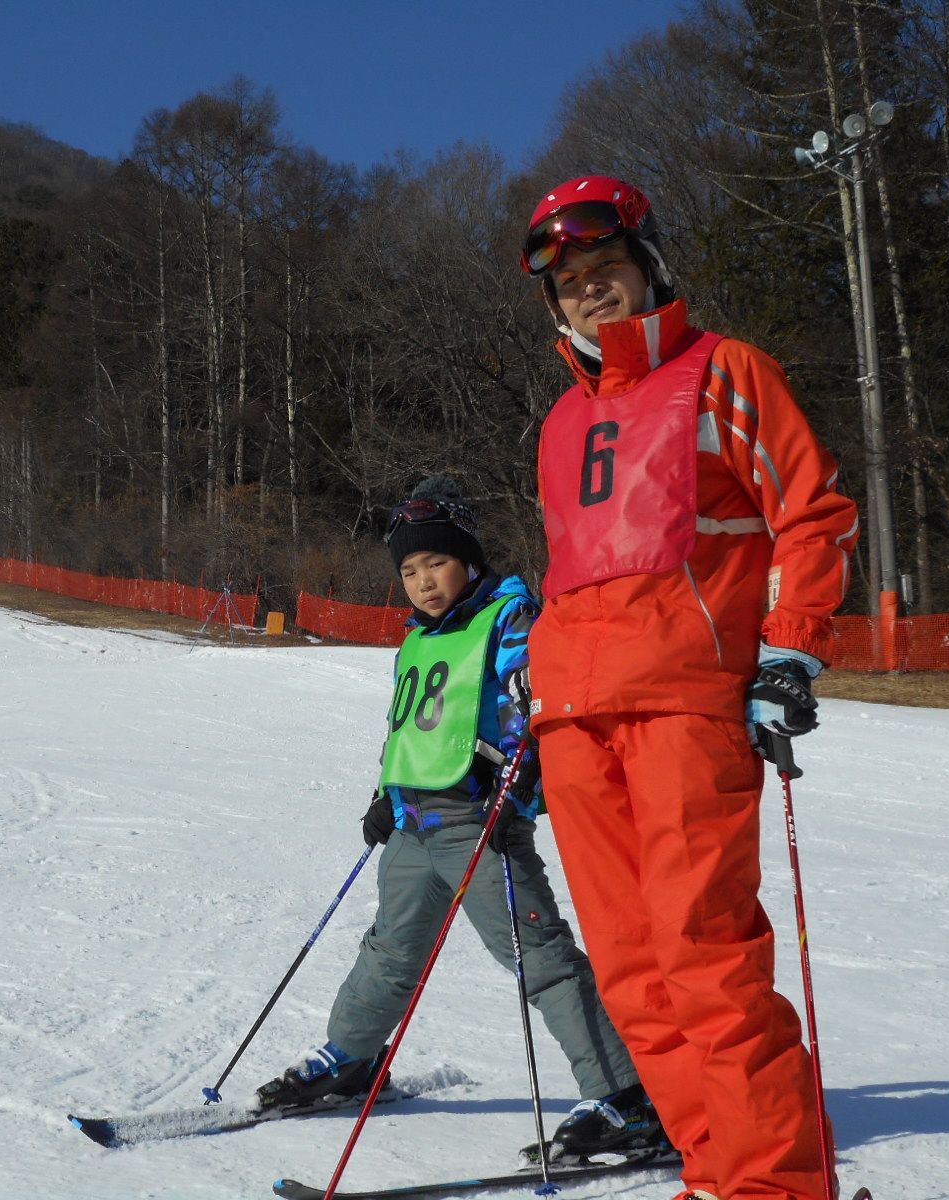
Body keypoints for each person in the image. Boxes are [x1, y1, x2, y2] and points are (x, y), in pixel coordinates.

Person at [518, 175, 861, 1200]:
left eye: (605, 269)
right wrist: (531, 709)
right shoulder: (559, 425)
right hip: (576, 721)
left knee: (705, 961)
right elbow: (571, 578)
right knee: (632, 976)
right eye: (570, 283)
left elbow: (811, 511)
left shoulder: (724, 373)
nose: (589, 293)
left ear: (650, 264)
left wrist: (787, 651)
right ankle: (717, 1173)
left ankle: (773, 1188)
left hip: (683, 704)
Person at [251, 475, 669, 1165]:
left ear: (469, 558)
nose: (422, 581)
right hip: (415, 822)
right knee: (388, 950)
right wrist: (388, 790)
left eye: (436, 563)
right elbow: (411, 727)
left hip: (480, 821)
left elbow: (536, 711)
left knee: (541, 959)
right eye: (409, 570)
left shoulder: (508, 619)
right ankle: (351, 1058)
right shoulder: (417, 639)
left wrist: (516, 792)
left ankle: (624, 1096)